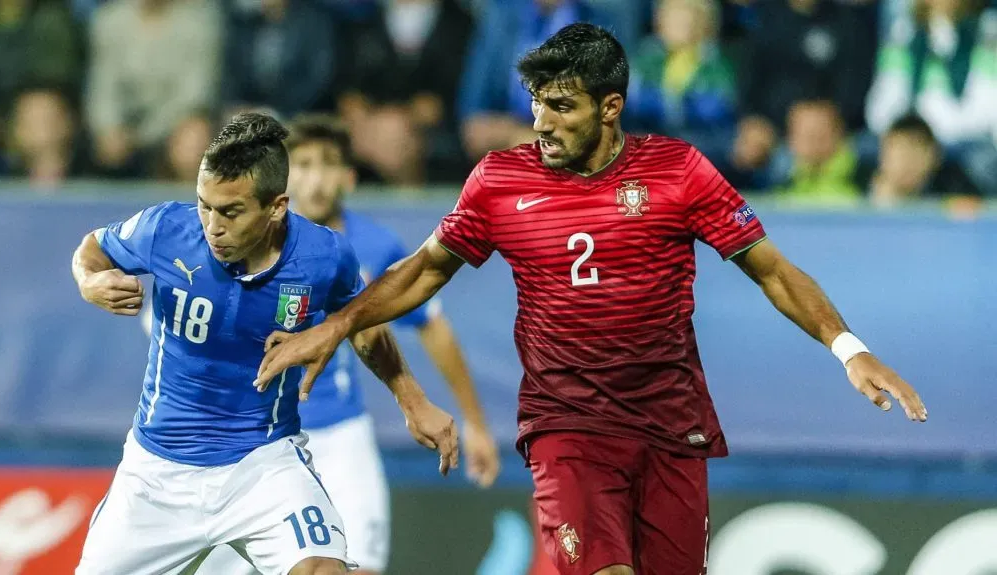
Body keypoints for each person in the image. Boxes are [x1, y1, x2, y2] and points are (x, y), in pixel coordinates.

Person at [252, 24, 929, 575]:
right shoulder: (499, 182)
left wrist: (849, 348)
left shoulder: (677, 172)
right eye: (536, 103)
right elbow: (425, 271)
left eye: (562, 107)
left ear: (610, 108)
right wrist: (338, 324)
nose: (541, 123)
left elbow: (772, 271)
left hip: (670, 424)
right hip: (567, 425)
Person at [71, 112, 458, 575]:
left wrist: (413, 401)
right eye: (204, 205)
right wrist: (89, 281)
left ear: (276, 207)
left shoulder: (323, 256)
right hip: (157, 472)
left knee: (323, 570)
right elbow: (93, 248)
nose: (212, 225)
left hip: (263, 464)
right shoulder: (165, 229)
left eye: (230, 212)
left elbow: (361, 324)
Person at [200, 116, 500, 575]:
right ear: (283, 179)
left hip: (341, 436)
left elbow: (430, 326)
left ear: (349, 177)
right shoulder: (242, 241)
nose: (316, 179)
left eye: (328, 164)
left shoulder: (371, 247)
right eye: (303, 165)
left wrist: (475, 423)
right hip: (252, 437)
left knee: (360, 567)